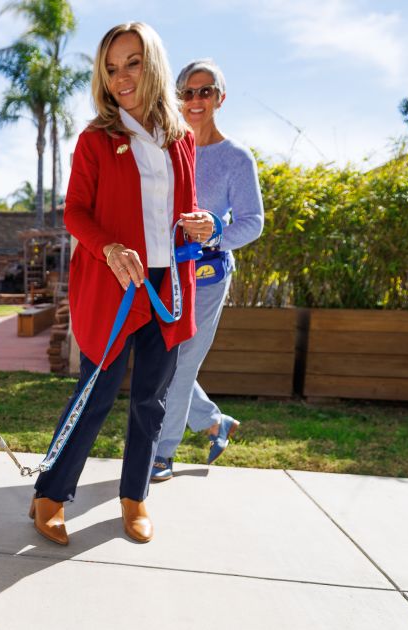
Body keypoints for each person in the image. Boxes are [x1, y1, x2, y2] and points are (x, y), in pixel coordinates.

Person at [29, 22, 214, 545]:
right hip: (117, 283)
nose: (121, 77)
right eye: (111, 68)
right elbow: (75, 212)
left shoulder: (181, 139)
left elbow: (181, 209)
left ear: (151, 64)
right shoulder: (96, 140)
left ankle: (134, 498)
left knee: (151, 399)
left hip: (169, 283)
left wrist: (200, 223)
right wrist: (109, 247)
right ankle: (49, 494)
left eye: (132, 63)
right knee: (97, 392)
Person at [150, 59, 265, 481]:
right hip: (162, 273)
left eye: (204, 91)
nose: (195, 100)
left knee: (182, 362)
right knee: (164, 358)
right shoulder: (164, 147)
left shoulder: (236, 158)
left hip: (208, 276)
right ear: (176, 98)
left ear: (220, 97)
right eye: (187, 92)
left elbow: (253, 222)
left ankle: (162, 453)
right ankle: (215, 423)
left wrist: (215, 230)